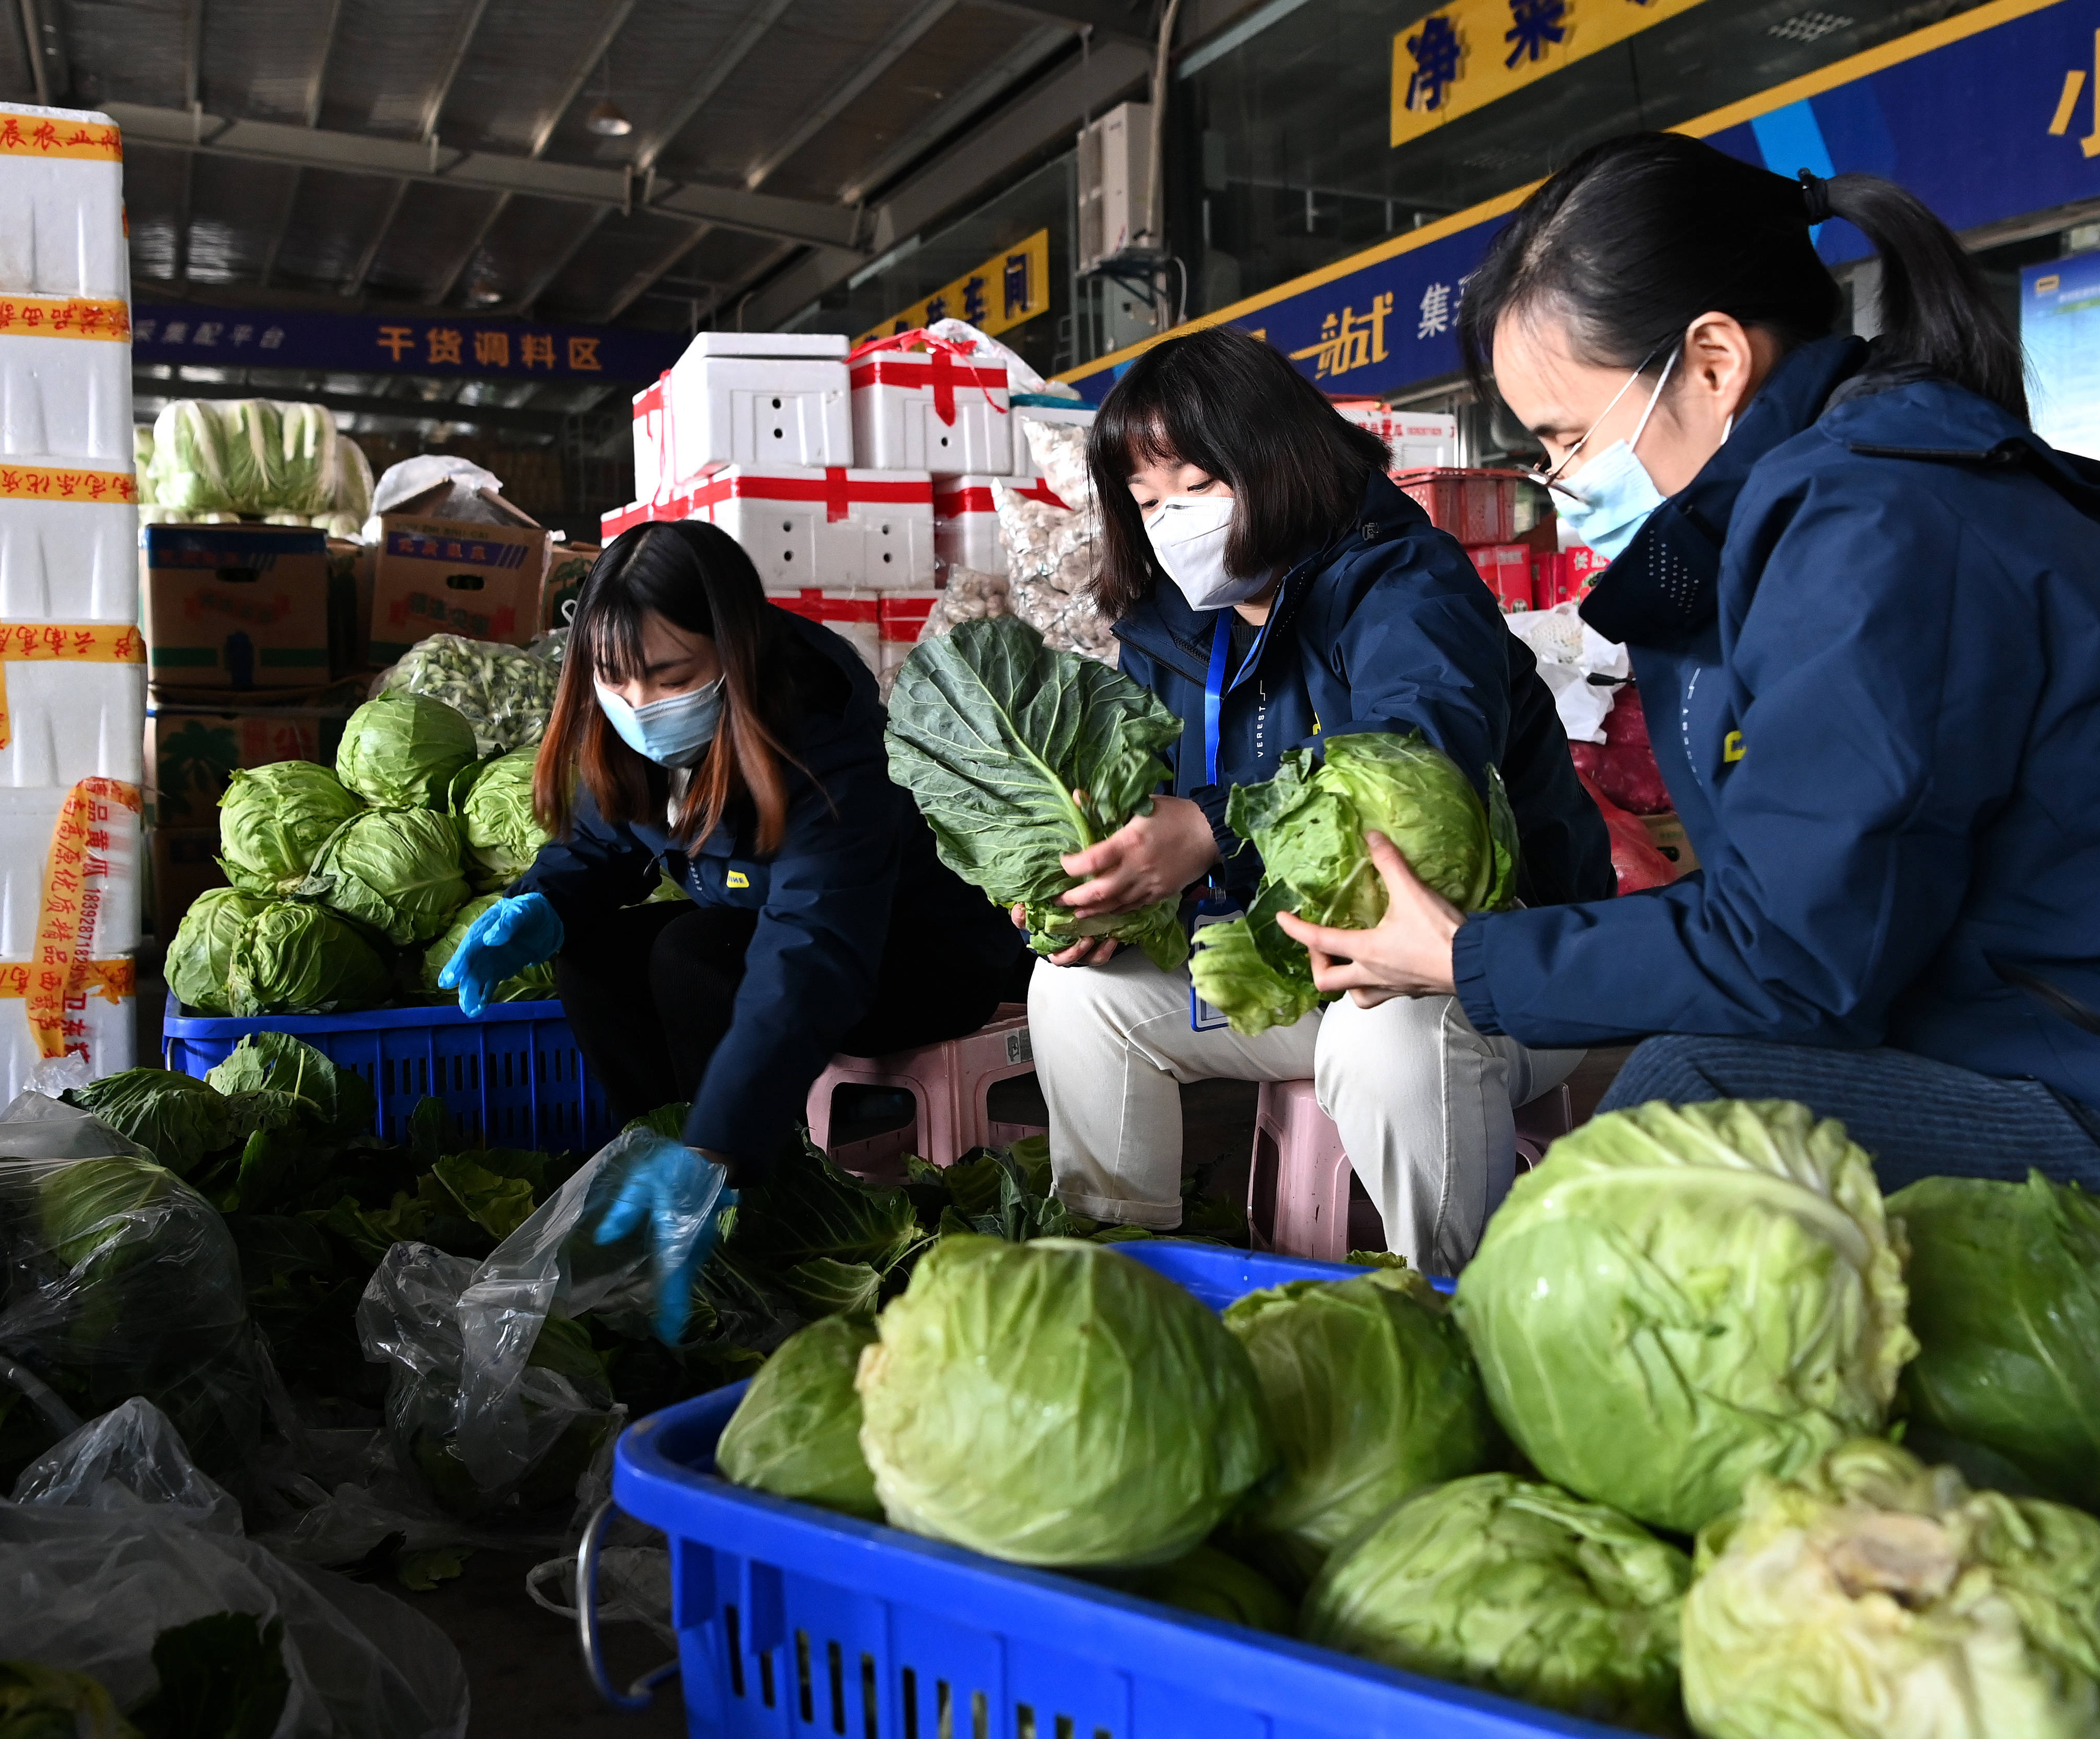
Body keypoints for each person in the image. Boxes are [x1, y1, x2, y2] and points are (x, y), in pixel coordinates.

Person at [1279, 133, 2100, 1404]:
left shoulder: (1875, 529)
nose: (1558, 486)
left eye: (1567, 438)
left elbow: (1795, 958)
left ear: (1709, 361)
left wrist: (1468, 960)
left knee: (1693, 1102)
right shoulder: (1826, 511)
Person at [1024, 327, 1613, 1275]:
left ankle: (1458, 1304)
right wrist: (1114, 894)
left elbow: (1416, 764)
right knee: (1077, 993)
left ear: (1278, 462)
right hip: (1292, 961)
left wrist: (1212, 829)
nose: (1174, 521)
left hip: (1488, 962)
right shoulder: (1167, 629)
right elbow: (1155, 812)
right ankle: (1126, 1276)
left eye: (1200, 488)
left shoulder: (1404, 584)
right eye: (1147, 502)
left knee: (1383, 1037)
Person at [440, 519, 1028, 1334]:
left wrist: (722, 1142)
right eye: (616, 679)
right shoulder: (628, 721)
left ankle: (737, 1195)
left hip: (918, 955)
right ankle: (662, 1167)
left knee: (693, 958)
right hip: (771, 932)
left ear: (734, 649)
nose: (640, 704)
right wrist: (545, 901)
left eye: (669, 675)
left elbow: (811, 956)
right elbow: (605, 833)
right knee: (596, 954)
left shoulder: (826, 739)